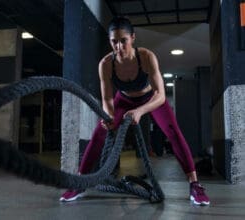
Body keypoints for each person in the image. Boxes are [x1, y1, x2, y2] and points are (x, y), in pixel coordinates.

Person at [59, 17, 210, 205]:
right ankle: (79, 183)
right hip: (123, 99)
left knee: (173, 132)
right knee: (100, 132)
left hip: (151, 98)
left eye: (124, 40)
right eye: (114, 41)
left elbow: (161, 95)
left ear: (132, 38)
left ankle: (195, 185)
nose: (119, 46)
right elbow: (107, 98)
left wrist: (139, 111)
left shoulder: (146, 57)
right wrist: (109, 116)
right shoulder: (106, 64)